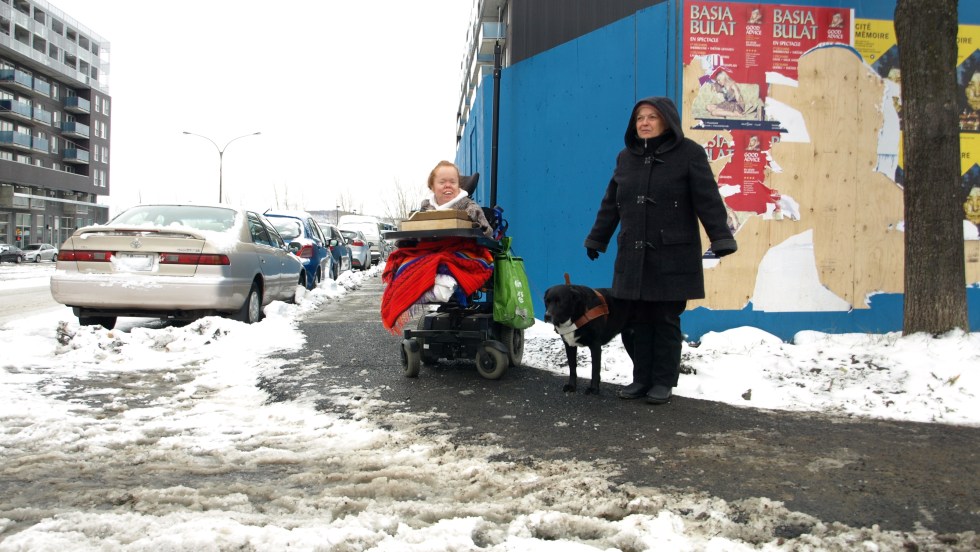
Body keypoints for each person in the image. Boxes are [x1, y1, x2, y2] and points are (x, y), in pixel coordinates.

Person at [584, 97, 737, 405]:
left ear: (667, 120)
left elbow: (707, 199)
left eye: (652, 117)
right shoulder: (625, 158)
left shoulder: (689, 154)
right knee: (637, 320)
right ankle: (641, 378)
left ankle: (663, 382)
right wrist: (597, 239)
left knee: (665, 319)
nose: (645, 122)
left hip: (672, 254)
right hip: (633, 254)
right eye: (640, 117)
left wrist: (720, 238)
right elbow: (611, 203)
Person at [418, 160, 493, 238]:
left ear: (458, 185)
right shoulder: (425, 208)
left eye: (453, 182)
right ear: (432, 186)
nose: (448, 185)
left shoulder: (471, 208)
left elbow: (488, 234)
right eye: (442, 182)